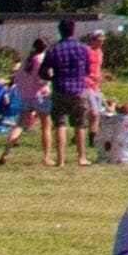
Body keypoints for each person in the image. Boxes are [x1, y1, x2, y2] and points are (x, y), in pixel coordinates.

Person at [28, 18, 101, 169]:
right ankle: (81, 157)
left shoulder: (53, 50)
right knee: (79, 125)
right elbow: (87, 69)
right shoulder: (82, 48)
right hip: (78, 89)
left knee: (60, 124)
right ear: (73, 30)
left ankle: (60, 160)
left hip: (60, 89)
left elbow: (42, 71)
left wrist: (52, 77)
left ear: (59, 31)